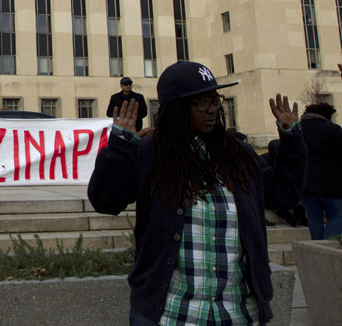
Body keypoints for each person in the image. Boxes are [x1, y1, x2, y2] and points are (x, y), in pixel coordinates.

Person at [88, 61, 306, 325]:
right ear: (177, 110)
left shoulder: (238, 154)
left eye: (215, 100)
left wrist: (291, 138)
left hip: (238, 315)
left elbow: (284, 195)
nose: (212, 109)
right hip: (170, 315)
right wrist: (121, 146)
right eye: (201, 102)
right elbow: (105, 200)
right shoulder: (150, 154)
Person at [299, 102, 342, 239]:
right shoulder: (333, 129)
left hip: (306, 183)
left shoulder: (298, 130)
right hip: (332, 184)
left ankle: (316, 247)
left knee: (314, 218)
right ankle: (326, 247)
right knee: (336, 216)